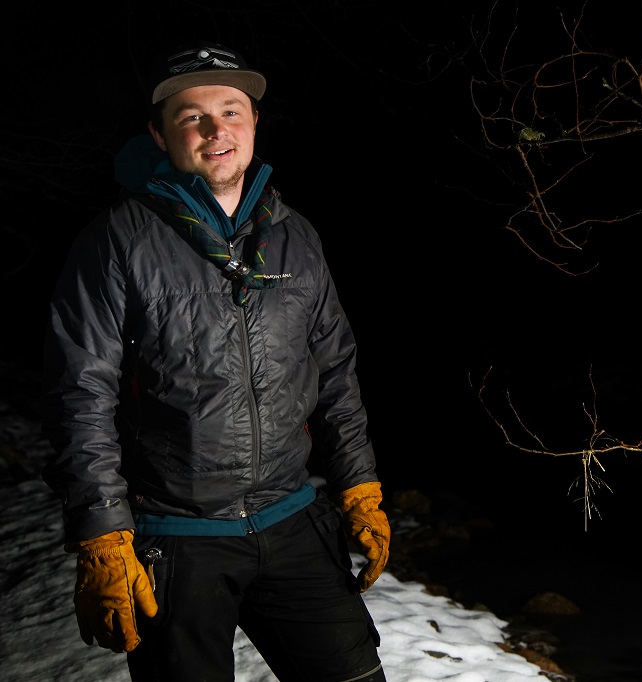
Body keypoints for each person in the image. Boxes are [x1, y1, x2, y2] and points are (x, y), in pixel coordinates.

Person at [41, 41, 390, 682]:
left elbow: (336, 371)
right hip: (175, 539)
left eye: (231, 110)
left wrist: (359, 485)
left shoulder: (296, 236)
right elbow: (79, 391)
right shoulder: (116, 241)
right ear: (159, 134)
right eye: (190, 116)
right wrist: (100, 531)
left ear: (254, 123)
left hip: (292, 520)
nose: (214, 129)